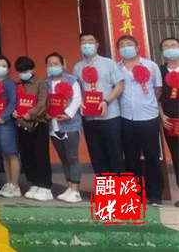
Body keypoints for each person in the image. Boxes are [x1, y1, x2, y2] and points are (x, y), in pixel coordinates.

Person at [117, 35, 164, 206]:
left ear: (137, 47)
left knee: (152, 156)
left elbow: (158, 90)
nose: (126, 47)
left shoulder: (151, 66)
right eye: (122, 45)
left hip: (148, 118)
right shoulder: (116, 68)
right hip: (125, 118)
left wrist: (146, 104)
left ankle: (155, 194)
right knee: (130, 157)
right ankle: (135, 195)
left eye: (129, 44)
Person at [72, 32, 125, 175]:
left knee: (115, 154)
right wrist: (80, 103)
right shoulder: (77, 67)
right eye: (83, 42)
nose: (87, 44)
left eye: (90, 41)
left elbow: (119, 85)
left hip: (110, 116)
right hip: (89, 118)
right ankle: (105, 188)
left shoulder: (109, 63)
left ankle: (119, 188)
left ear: (97, 45)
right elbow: (77, 90)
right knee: (97, 155)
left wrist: (106, 101)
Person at [44, 52, 84, 203]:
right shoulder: (46, 83)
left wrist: (68, 113)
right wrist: (45, 112)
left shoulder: (72, 80)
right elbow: (44, 101)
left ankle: (76, 190)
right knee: (63, 157)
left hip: (70, 124)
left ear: (62, 64)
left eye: (56, 63)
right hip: (53, 124)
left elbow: (77, 99)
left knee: (72, 157)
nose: (53, 66)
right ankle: (69, 187)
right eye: (50, 64)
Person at [14, 56, 52, 202]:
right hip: (22, 125)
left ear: (32, 69)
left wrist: (31, 114)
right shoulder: (18, 85)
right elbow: (15, 102)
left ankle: (46, 186)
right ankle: (35, 183)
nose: (23, 73)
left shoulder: (40, 83)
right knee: (27, 156)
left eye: (26, 70)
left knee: (40, 155)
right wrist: (15, 112)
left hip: (38, 124)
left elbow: (43, 103)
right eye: (21, 71)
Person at [0, 56, 21, 198]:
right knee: (4, 154)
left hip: (6, 122)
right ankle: (9, 183)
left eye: (3, 65)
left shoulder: (9, 84)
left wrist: (4, 116)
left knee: (11, 152)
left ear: (8, 69)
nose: (0, 68)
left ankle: (15, 185)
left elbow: (13, 101)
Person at [158, 37, 179, 207]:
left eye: (173, 45)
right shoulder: (159, 71)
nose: (170, 48)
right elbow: (156, 96)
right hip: (170, 122)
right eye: (166, 46)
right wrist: (162, 116)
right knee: (177, 157)